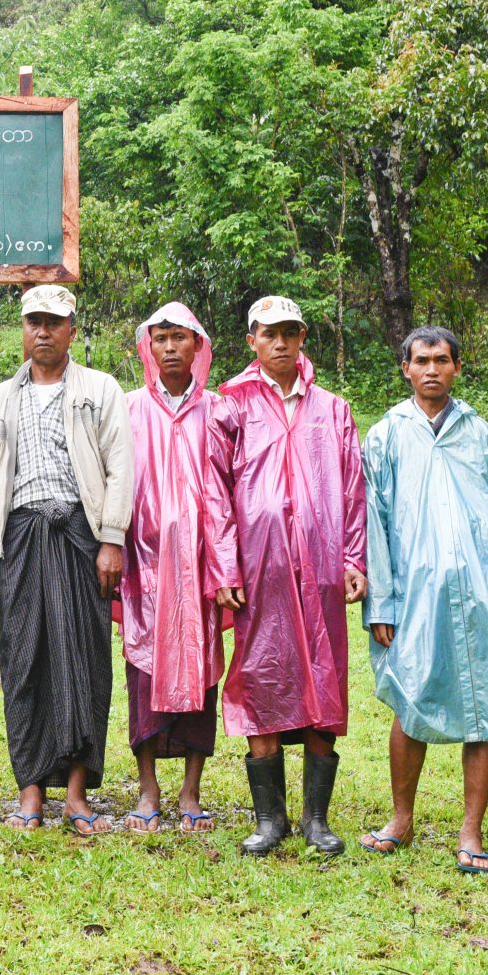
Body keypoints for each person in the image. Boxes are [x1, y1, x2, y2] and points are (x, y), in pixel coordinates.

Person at [358, 326, 488, 874]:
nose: (432, 369)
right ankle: (401, 820)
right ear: (405, 369)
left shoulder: (481, 436)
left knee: (484, 707)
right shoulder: (387, 436)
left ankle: (471, 831)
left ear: (458, 367)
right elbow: (375, 524)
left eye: (442, 360)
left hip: (485, 594)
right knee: (410, 699)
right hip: (413, 597)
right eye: (421, 361)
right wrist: (381, 603)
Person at [208, 295, 366, 857]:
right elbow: (216, 492)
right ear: (251, 340)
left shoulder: (334, 409)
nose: (280, 342)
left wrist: (353, 559)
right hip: (260, 568)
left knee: (325, 678)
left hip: (321, 567)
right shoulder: (230, 405)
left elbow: (351, 489)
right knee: (261, 676)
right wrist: (225, 564)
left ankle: (316, 819)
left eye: (290, 332)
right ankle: (269, 819)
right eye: (269, 333)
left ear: (302, 339)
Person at [0, 284, 133, 834]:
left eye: (54, 322)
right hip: (21, 537)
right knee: (23, 659)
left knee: (83, 660)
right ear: (22, 330)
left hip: (80, 533)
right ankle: (30, 791)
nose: (42, 331)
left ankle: (74, 792)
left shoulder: (100, 388)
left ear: (72, 329)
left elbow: (121, 464)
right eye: (33, 322)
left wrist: (112, 538)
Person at [117, 302, 238, 834]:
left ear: (198, 346)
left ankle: (191, 791)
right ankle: (148, 790)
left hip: (201, 567)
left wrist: (226, 565)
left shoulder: (219, 411)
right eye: (160, 338)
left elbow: (233, 490)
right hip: (144, 567)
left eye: (180, 338)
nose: (169, 348)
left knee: (201, 670)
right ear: (149, 346)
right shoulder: (126, 410)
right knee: (143, 671)